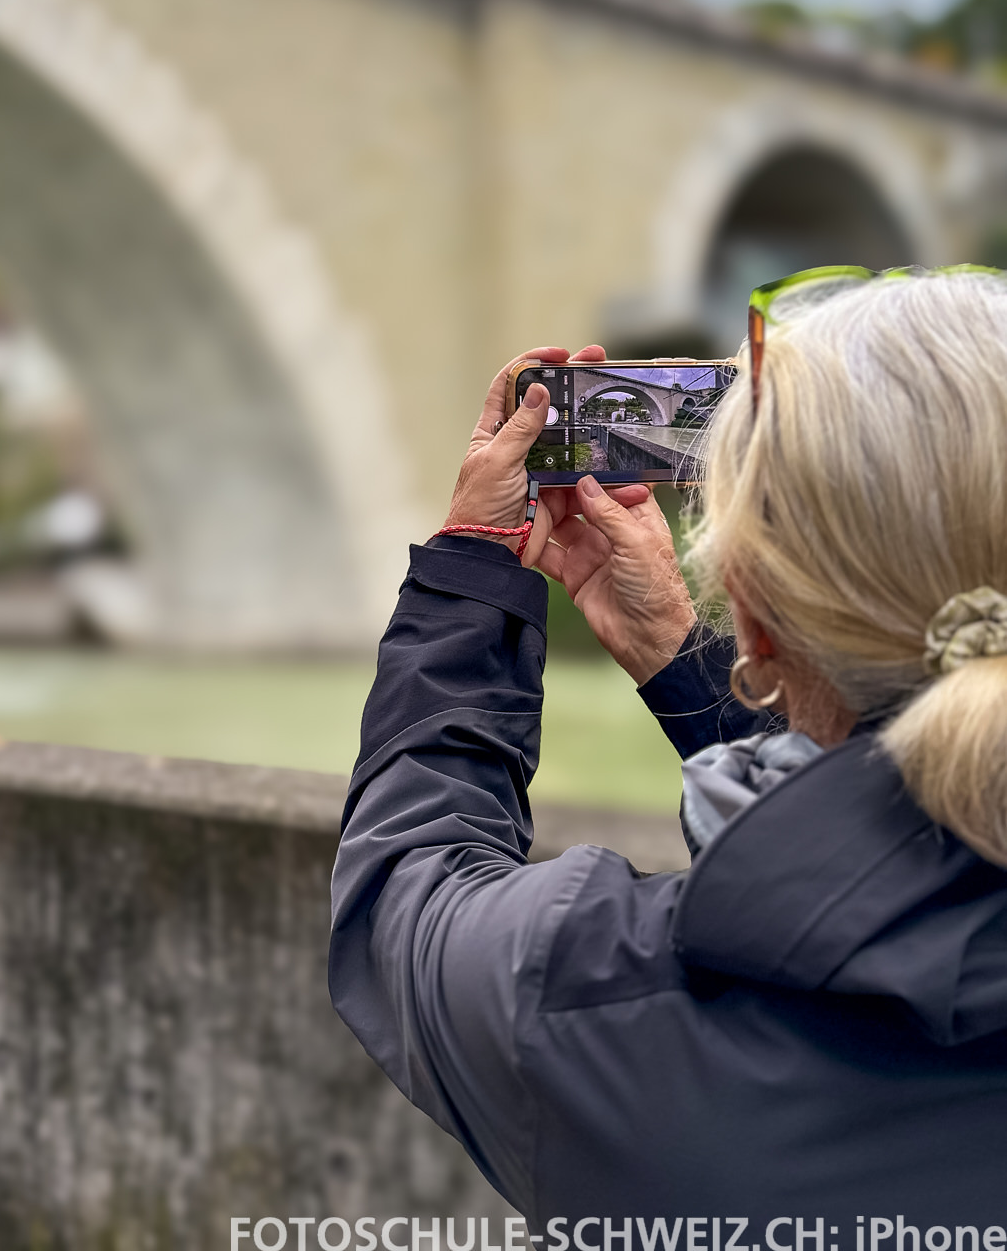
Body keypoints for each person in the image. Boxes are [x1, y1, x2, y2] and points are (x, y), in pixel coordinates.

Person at [329, 268, 1007, 1230]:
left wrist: (473, 564)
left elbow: (400, 900)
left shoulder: (594, 1003)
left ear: (760, 622)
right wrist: (682, 660)